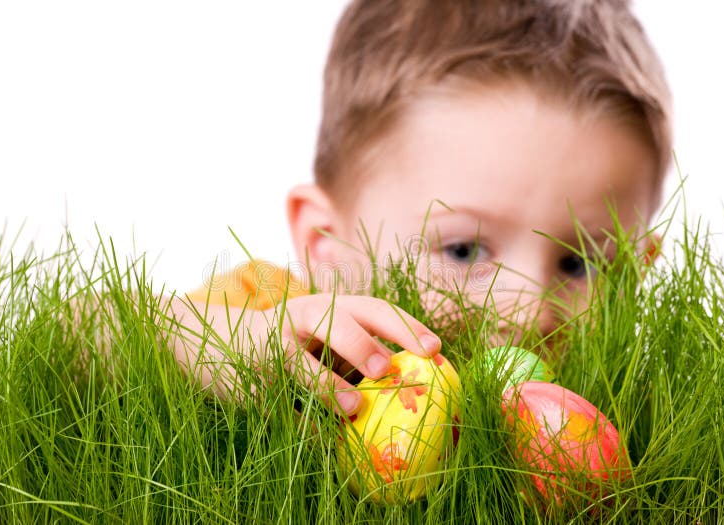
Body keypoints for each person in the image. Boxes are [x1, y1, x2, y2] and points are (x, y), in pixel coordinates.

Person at [169, 0, 672, 417]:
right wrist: (203, 343)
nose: (529, 309)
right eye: (464, 249)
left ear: (638, 270)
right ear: (327, 244)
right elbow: (94, 329)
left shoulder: (628, 395)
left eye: (580, 262)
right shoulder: (274, 315)